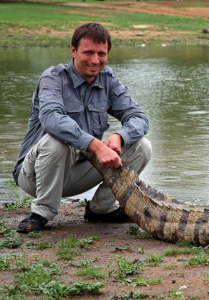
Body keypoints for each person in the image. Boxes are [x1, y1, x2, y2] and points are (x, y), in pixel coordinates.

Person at [12, 23, 152, 233]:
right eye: (88, 52)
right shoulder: (52, 78)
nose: (95, 60)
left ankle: (102, 210)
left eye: (101, 54)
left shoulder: (108, 80)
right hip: (35, 176)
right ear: (73, 50)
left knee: (142, 145)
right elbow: (51, 119)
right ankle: (41, 212)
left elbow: (138, 118)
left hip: (77, 173)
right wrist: (96, 145)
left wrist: (119, 137)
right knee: (58, 140)